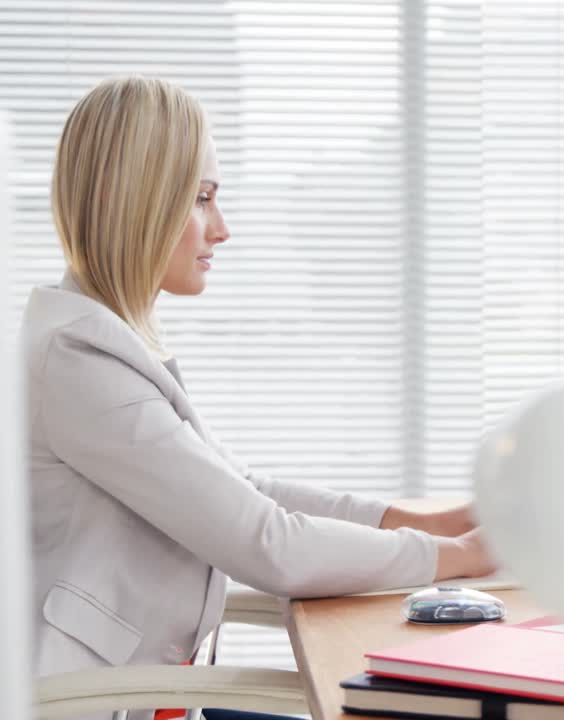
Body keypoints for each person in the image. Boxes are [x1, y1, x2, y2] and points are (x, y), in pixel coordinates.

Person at [22, 76, 497, 720]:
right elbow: (269, 543)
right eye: (202, 199)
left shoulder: (102, 342)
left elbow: (243, 490)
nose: (221, 229)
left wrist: (425, 525)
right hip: (100, 705)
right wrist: (463, 558)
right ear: (136, 202)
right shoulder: (79, 362)